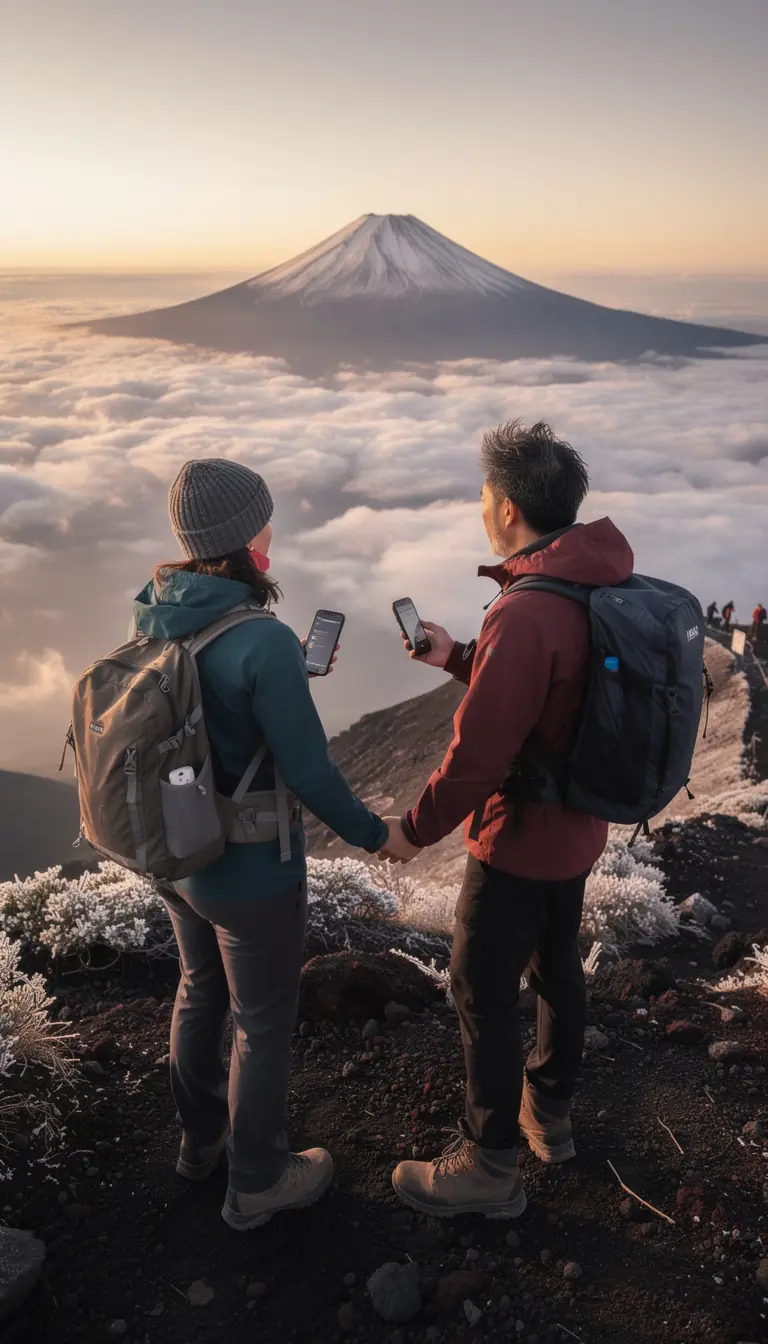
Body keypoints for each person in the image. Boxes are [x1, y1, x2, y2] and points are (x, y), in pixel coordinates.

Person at [380, 420, 634, 1220]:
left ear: (509, 509)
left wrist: (412, 831)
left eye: (486, 493)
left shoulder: (526, 611)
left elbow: (479, 757)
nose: (483, 505)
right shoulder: (597, 579)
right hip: (580, 827)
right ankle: (548, 1116)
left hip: (518, 840)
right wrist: (460, 657)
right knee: (558, 968)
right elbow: (554, 699)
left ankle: (488, 1165)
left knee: (481, 989)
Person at [136, 458, 390, 1231]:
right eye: (264, 517)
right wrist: (378, 835)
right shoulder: (265, 640)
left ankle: (201, 1143)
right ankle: (256, 1183)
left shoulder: (156, 613)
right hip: (248, 871)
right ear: (248, 537)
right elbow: (307, 772)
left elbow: (210, 719)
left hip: (178, 856)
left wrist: (285, 681)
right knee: (261, 1019)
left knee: (198, 990)